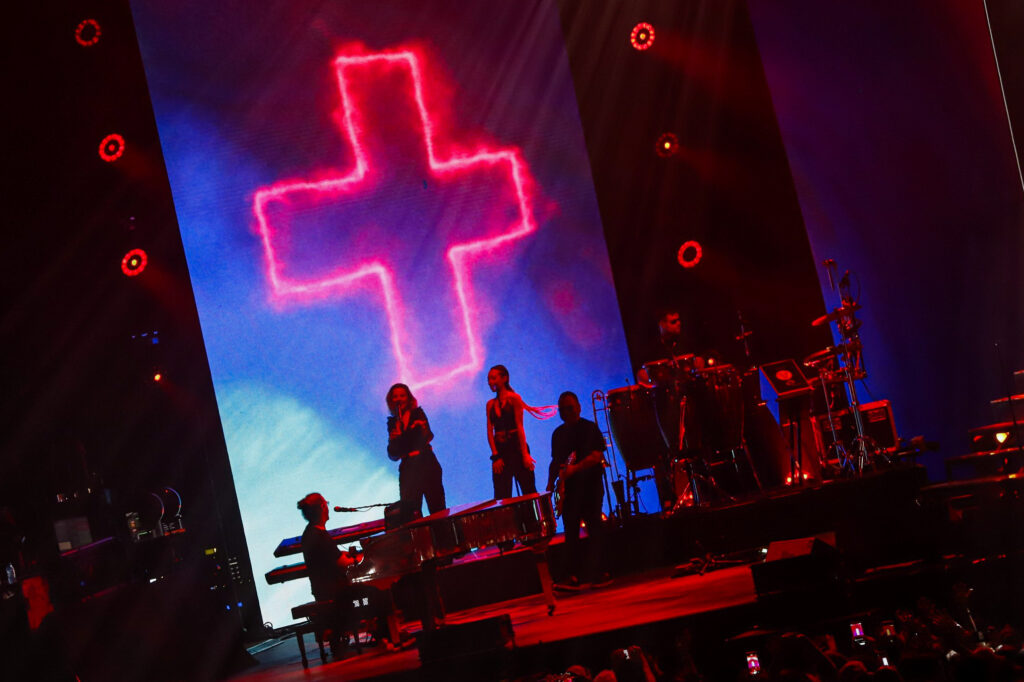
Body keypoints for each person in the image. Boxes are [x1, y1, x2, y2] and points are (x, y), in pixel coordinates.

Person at [296, 493, 391, 652]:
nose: (328, 507)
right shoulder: (319, 536)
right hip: (338, 595)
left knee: (370, 593)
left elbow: (332, 558)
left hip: (325, 591)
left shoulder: (310, 533)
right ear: (322, 508)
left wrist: (348, 557)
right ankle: (385, 637)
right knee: (379, 595)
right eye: (326, 503)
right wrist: (363, 558)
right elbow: (342, 564)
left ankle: (378, 634)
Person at [547, 391, 610, 589]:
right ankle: (571, 576)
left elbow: (597, 455)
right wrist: (550, 485)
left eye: (570, 407)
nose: (566, 412)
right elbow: (555, 461)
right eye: (563, 409)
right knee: (571, 533)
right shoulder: (558, 434)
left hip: (590, 485)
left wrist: (575, 469)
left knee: (594, 528)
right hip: (571, 490)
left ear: (578, 407)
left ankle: (600, 572)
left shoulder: (589, 428)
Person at [486, 365, 549, 499]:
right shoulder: (490, 404)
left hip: (516, 448)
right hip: (501, 451)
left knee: (528, 489)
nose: (490, 382)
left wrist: (525, 455)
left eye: (493, 378)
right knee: (501, 494)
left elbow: (520, 427)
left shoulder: (514, 398)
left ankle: (533, 518)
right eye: (489, 379)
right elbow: (489, 431)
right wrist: (495, 455)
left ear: (504, 378)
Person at [386, 383, 446, 523]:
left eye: (402, 395)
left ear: (408, 397)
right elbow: (393, 454)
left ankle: (445, 542)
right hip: (408, 469)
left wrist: (401, 437)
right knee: (410, 513)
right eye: (395, 396)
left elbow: (425, 437)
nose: (399, 399)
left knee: (437, 508)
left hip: (427, 464)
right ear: (391, 400)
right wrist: (395, 440)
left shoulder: (418, 414)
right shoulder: (392, 423)